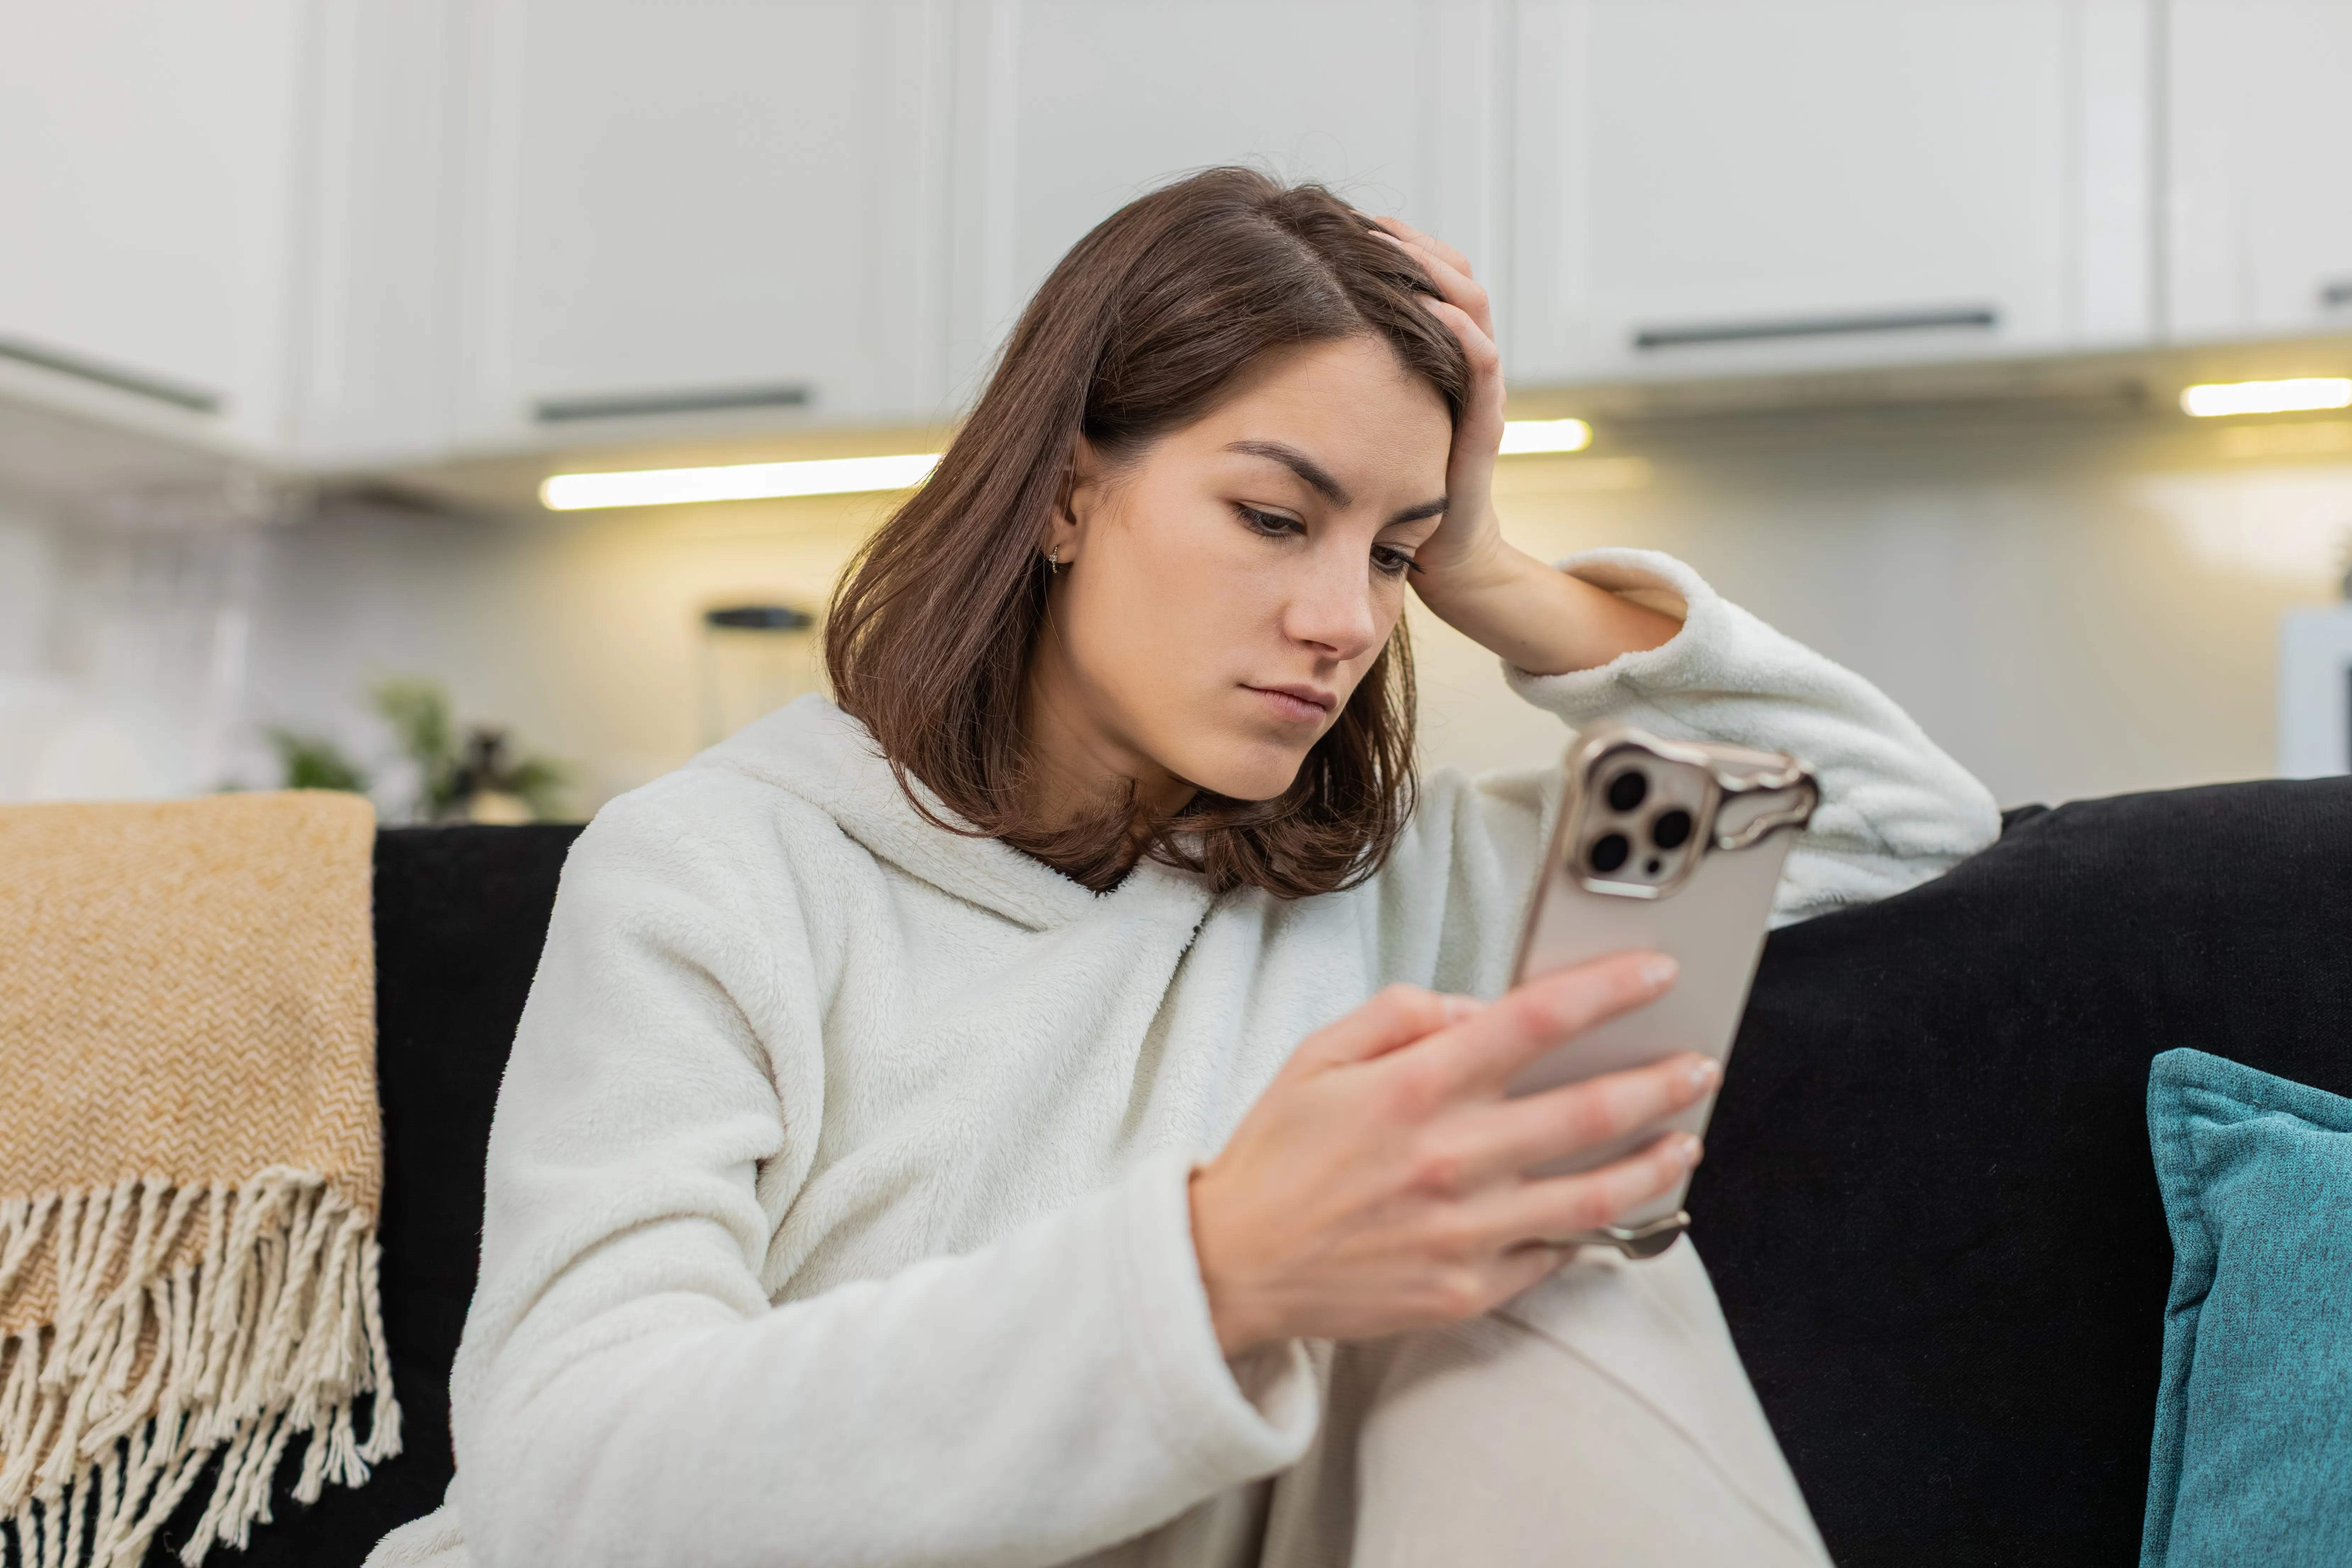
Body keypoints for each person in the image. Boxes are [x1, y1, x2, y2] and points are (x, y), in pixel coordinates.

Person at [368, 169, 1998, 1568]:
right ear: (1069, 489)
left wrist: (1495, 570)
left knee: (1554, 1254)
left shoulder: (1415, 885)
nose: (1348, 622)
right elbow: (560, 1484)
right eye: (1277, 518)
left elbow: (1893, 821)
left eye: (1392, 550)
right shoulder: (720, 870)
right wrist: (1218, 1266)